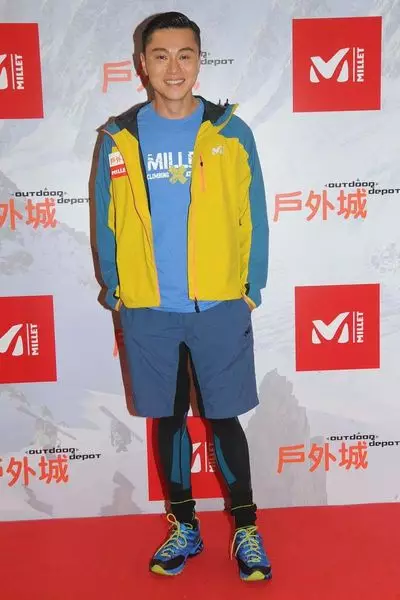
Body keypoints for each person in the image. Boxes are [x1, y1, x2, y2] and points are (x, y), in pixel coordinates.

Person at [94, 11, 271, 582]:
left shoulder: (231, 133)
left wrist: (251, 289)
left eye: (185, 55)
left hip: (218, 307)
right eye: (161, 55)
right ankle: (184, 526)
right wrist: (118, 290)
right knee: (168, 420)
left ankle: (246, 528)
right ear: (142, 64)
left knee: (224, 419)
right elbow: (105, 221)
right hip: (149, 310)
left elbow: (254, 216)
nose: (174, 67)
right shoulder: (119, 138)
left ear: (200, 61)